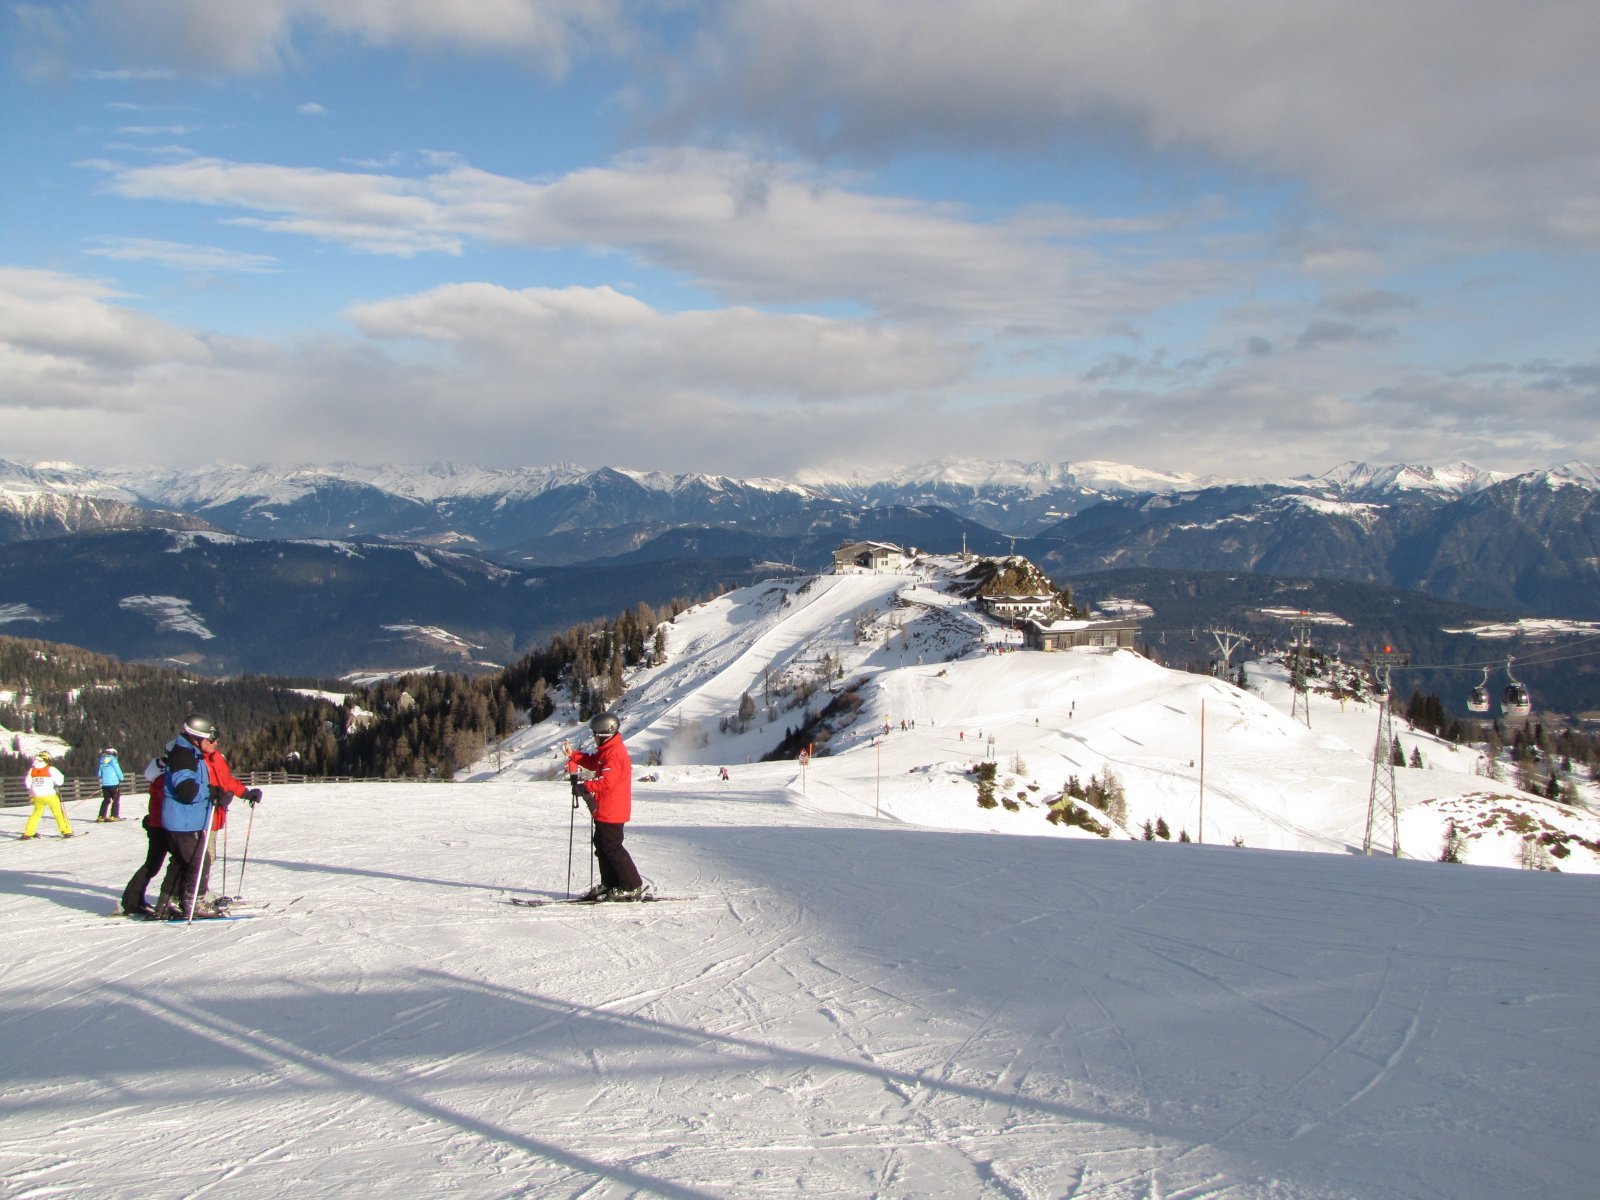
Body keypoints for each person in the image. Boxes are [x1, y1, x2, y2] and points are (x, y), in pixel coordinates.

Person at [563, 712, 643, 901]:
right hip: (604, 808)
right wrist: (574, 755)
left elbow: (606, 781)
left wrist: (585, 786)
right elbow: (593, 762)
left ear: (604, 735)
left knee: (612, 847)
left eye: (595, 734)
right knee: (602, 845)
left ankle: (632, 886)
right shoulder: (607, 751)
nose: (594, 737)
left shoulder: (615, 754)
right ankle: (610, 883)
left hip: (613, 810)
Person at [20, 752, 74, 840]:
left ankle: (28, 832)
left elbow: (28, 784)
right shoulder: (50, 769)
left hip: (37, 796)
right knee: (58, 813)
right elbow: (60, 781)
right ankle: (66, 831)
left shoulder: (32, 770)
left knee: (36, 813)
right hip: (49, 795)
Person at [96, 747, 125, 822]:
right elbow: (117, 770)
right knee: (115, 800)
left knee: (106, 800)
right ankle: (114, 816)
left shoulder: (102, 761)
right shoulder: (113, 760)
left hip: (105, 784)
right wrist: (121, 778)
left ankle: (101, 816)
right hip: (114, 783)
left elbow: (99, 773)